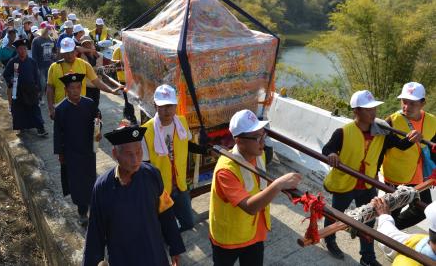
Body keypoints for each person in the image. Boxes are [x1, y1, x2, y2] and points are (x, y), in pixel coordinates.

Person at [322, 90, 420, 266]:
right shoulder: (343, 132)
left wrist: (412, 139)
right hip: (344, 184)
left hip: (367, 185)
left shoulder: (382, 131)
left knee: (369, 221)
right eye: (368, 109)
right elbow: (327, 149)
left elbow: (401, 145)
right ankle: (329, 240)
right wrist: (332, 155)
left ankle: (368, 258)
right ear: (356, 111)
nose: (373, 113)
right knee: (335, 215)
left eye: (374, 108)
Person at [82, 124, 186, 266]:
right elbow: (95, 231)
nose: (136, 160)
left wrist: (175, 246)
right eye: (129, 154)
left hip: (154, 254)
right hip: (123, 258)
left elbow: (165, 212)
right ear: (115, 153)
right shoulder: (102, 187)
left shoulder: (152, 174)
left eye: (139, 152)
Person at [209, 109, 301, 266]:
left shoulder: (259, 154)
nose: (262, 142)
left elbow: (259, 186)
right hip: (230, 236)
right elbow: (250, 207)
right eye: (257, 137)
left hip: (255, 230)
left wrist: (284, 189)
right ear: (239, 141)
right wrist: (279, 184)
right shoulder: (226, 170)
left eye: (263, 135)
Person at [141, 84, 201, 231]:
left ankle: (172, 232)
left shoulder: (181, 122)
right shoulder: (146, 131)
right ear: (155, 106)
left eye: (170, 105)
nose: (167, 110)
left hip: (180, 185)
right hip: (160, 189)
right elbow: (145, 164)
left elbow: (188, 144)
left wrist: (207, 150)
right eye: (162, 106)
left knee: (188, 223)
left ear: (176, 105)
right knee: (162, 226)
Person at [382, 82, 436, 229]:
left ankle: (392, 231)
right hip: (397, 176)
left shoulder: (433, 121)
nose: (406, 107)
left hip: (420, 176)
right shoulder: (391, 121)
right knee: (393, 211)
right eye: (404, 102)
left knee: (424, 209)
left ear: (423, 103)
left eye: (412, 103)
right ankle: (387, 235)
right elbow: (381, 147)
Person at [54, 73, 99, 225]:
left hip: (88, 150)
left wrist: (98, 132)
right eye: (71, 88)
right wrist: (60, 153)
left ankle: (95, 205)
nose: (75, 91)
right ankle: (82, 212)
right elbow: (57, 133)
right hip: (71, 152)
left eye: (78, 87)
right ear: (66, 89)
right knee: (77, 182)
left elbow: (97, 122)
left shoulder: (89, 103)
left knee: (90, 178)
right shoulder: (61, 109)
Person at [46, 38, 122, 119]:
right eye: (66, 52)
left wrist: (111, 90)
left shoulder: (84, 64)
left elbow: (97, 82)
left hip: (80, 107)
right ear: (62, 53)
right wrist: (51, 108)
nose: (69, 55)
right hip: (61, 108)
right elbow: (50, 88)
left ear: (76, 51)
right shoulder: (54, 67)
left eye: (71, 52)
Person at [2, 38, 47, 136]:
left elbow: (36, 76)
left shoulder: (32, 62)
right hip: (18, 90)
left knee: (35, 109)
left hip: (31, 90)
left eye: (24, 49)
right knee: (19, 110)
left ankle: (40, 128)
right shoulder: (13, 62)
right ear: (17, 50)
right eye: (20, 49)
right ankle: (22, 127)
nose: (23, 51)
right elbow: (6, 74)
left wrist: (38, 88)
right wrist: (11, 81)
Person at [372, 197, 436, 265]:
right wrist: (384, 216)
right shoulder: (420, 239)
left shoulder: (420, 240)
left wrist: (384, 216)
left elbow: (392, 237)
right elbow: (393, 238)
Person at [111, 43, 137, 123]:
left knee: (132, 98)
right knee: (127, 98)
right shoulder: (119, 49)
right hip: (123, 78)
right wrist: (118, 61)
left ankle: (128, 114)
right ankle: (131, 116)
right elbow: (112, 61)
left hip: (134, 78)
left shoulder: (133, 48)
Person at [31, 24, 55, 105]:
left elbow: (54, 51)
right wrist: (35, 67)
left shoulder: (51, 40)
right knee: (42, 84)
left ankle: (49, 99)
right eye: (48, 29)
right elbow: (34, 55)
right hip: (40, 66)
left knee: (50, 84)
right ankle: (39, 97)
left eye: (50, 29)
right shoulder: (36, 40)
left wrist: (54, 58)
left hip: (50, 65)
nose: (49, 30)